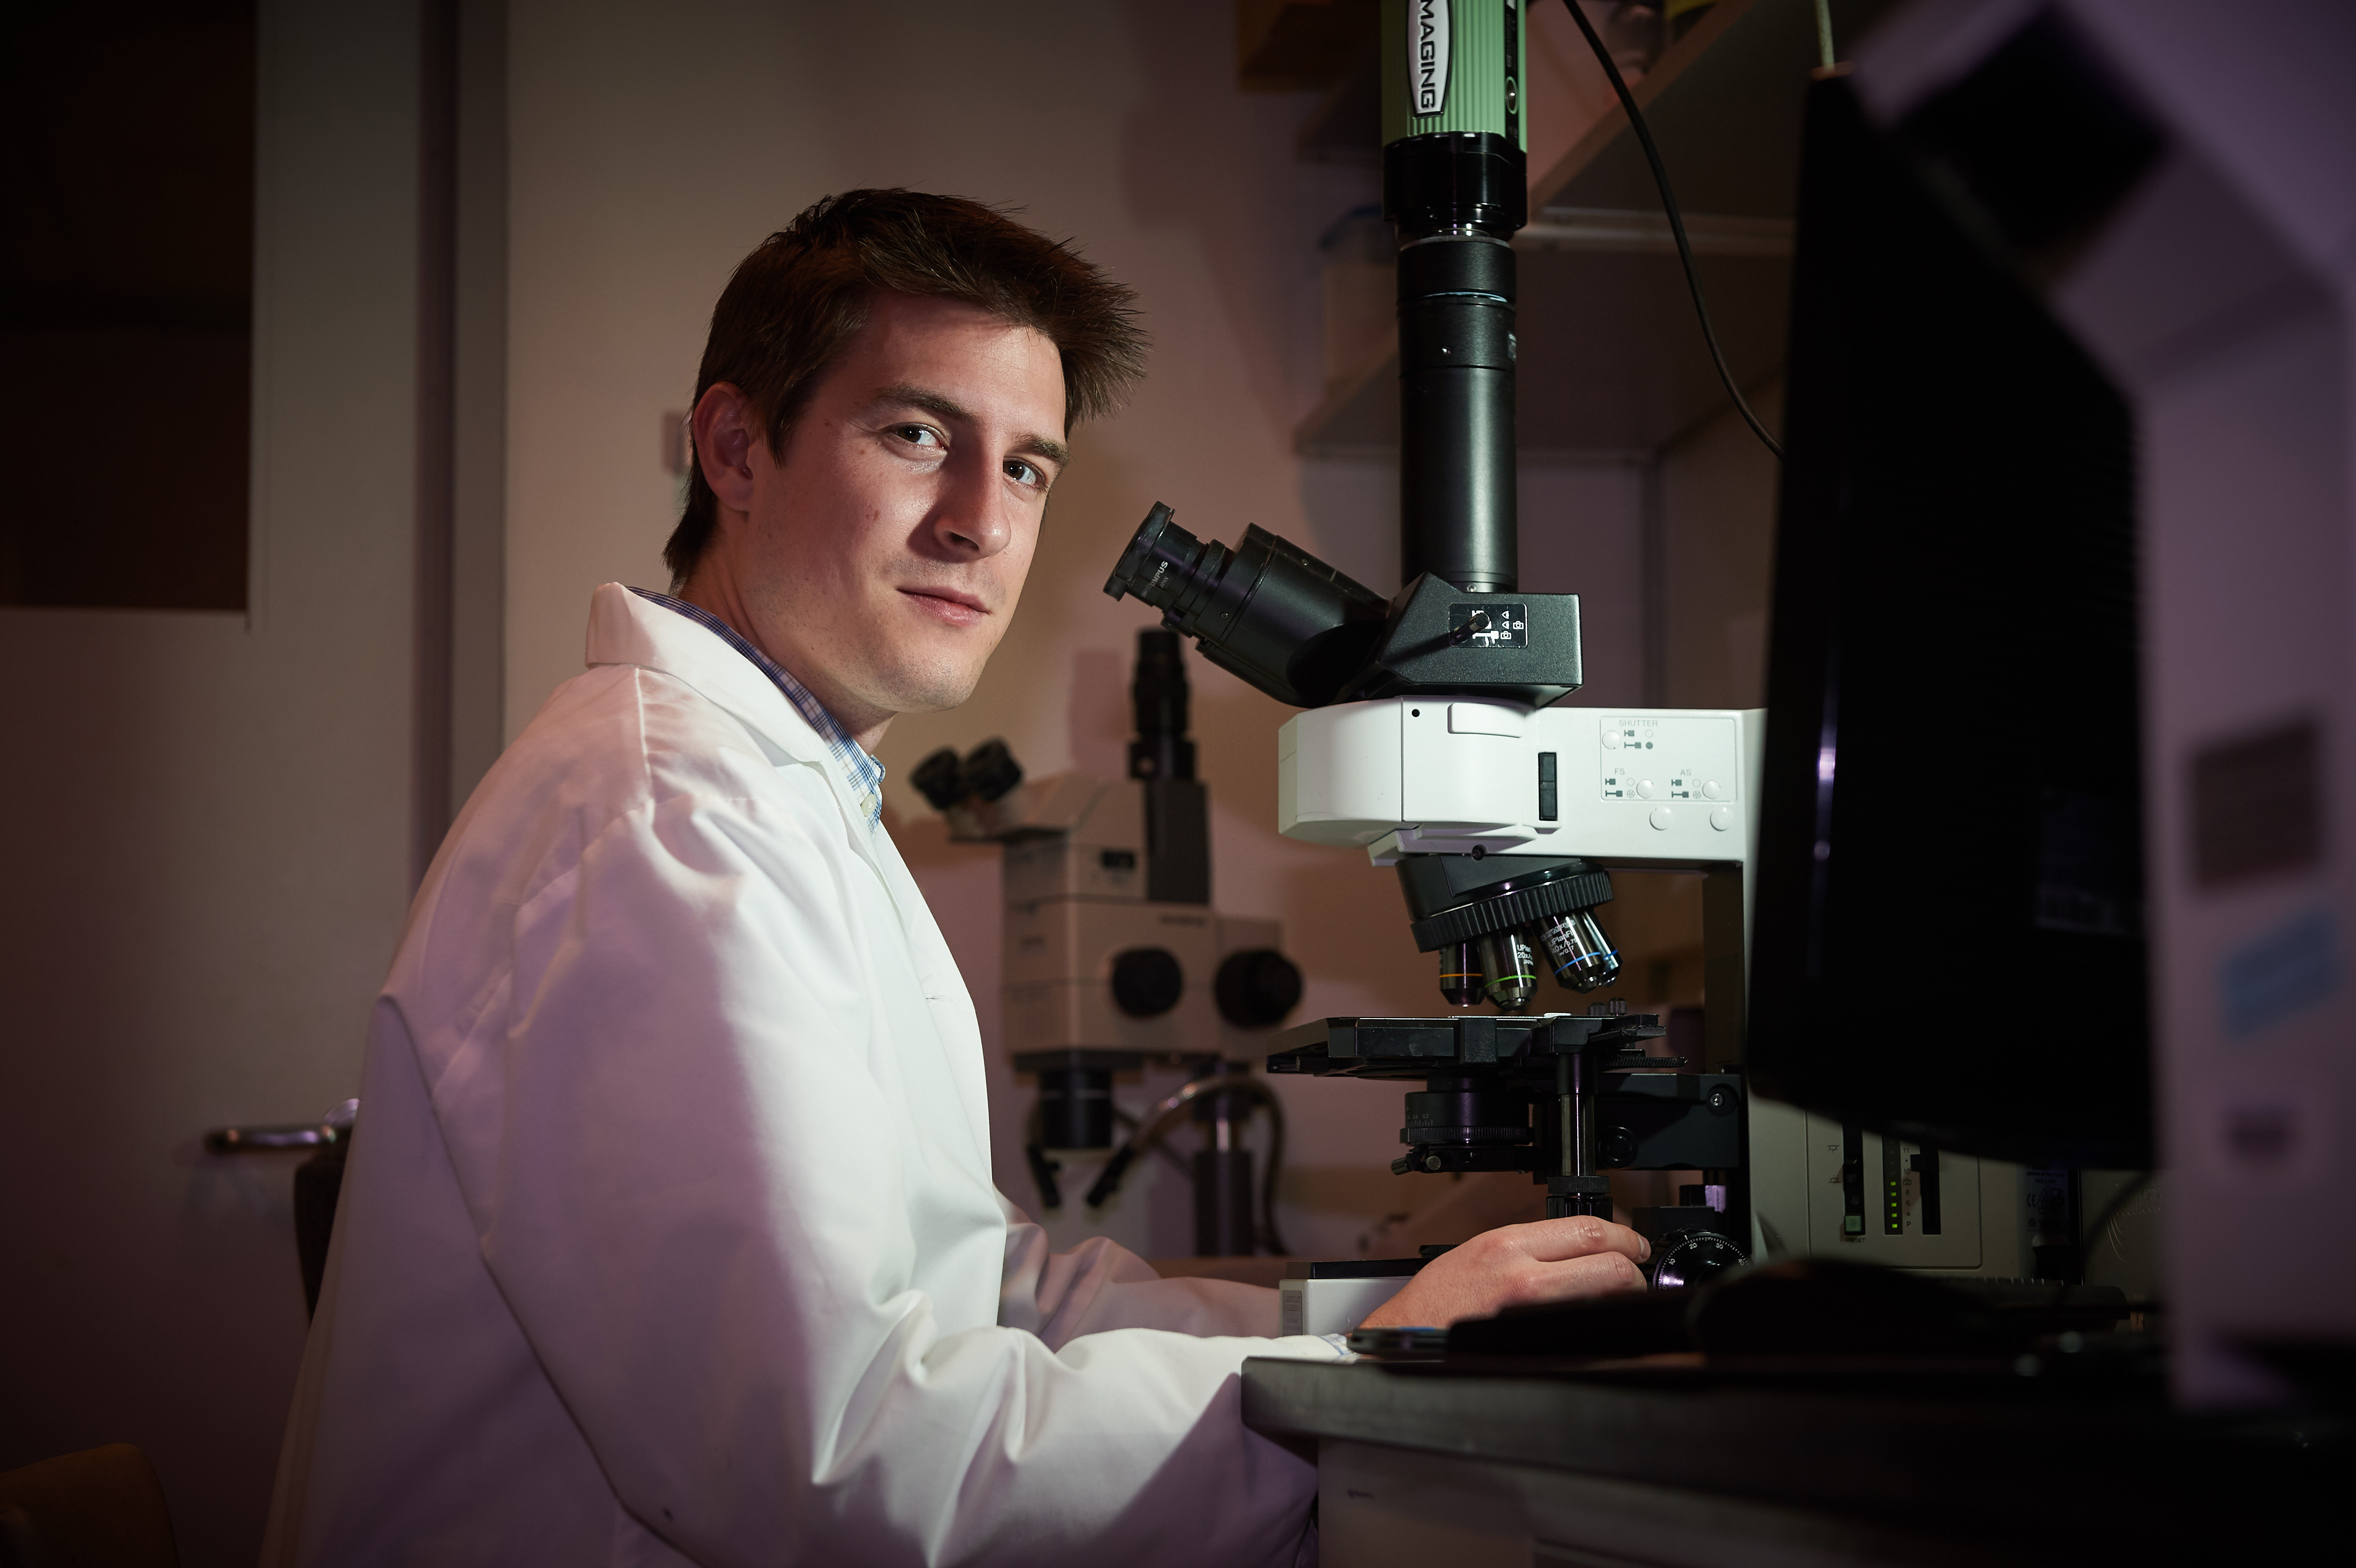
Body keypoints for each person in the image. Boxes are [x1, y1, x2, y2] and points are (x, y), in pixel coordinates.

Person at [261, 190, 1650, 1567]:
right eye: (919, 434)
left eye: (1030, 467)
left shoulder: (792, 790)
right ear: (736, 450)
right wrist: (1361, 1372)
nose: (981, 521)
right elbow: (845, 1456)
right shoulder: (662, 818)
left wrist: (1358, 1320)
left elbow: (991, 1286)